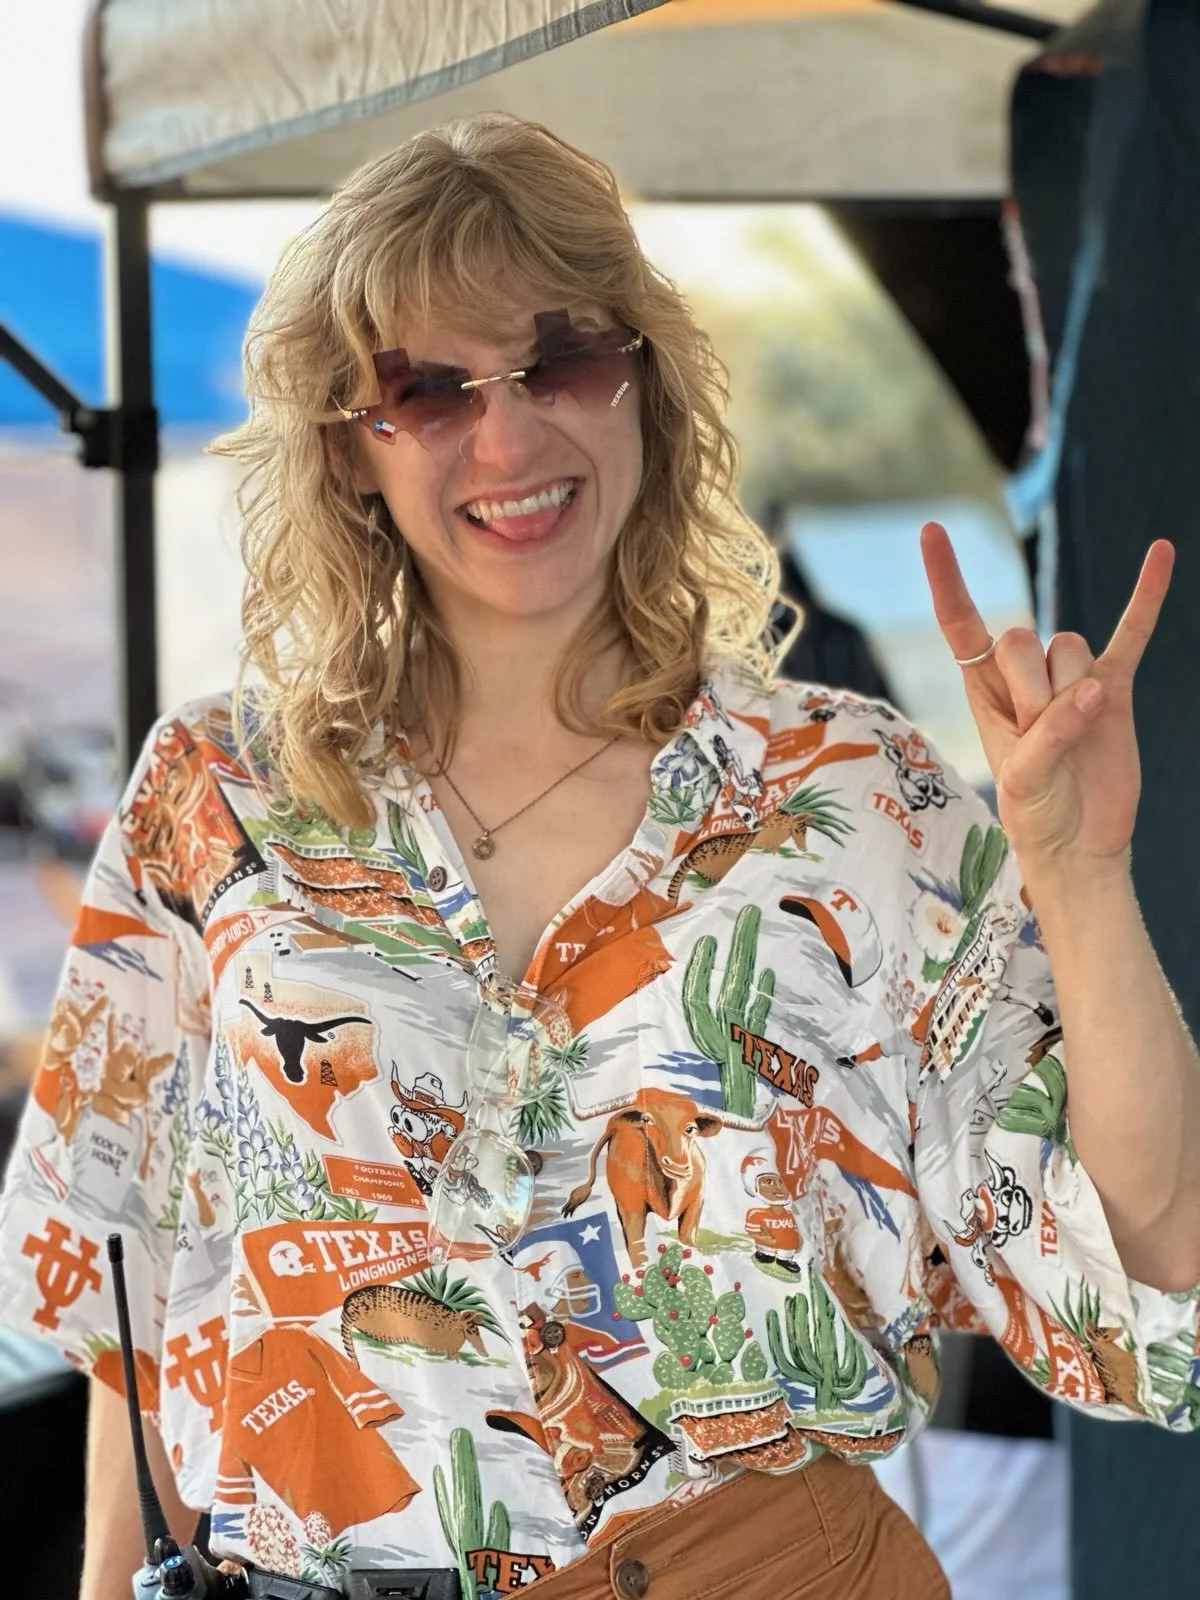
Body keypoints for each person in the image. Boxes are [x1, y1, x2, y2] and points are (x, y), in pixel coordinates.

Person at [0, 112, 1195, 1600]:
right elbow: (126, 1289)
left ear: (646, 386)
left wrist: (1082, 877)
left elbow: (1153, 1254)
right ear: (351, 448)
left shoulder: (854, 794)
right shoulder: (213, 795)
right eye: (426, 390)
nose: (510, 440)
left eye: (561, 361)